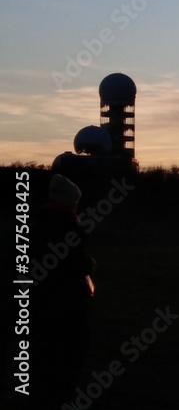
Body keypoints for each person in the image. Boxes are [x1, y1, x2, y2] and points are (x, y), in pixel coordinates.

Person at [30, 174, 94, 409]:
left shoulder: (35, 226)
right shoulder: (70, 229)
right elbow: (72, 266)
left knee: (42, 358)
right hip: (67, 307)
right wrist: (87, 265)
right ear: (71, 203)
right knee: (69, 358)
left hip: (38, 307)